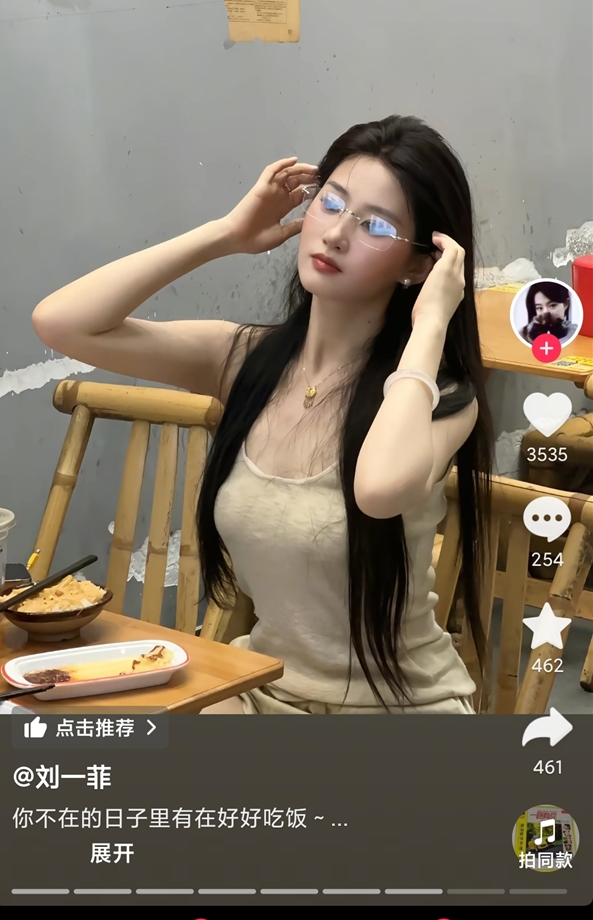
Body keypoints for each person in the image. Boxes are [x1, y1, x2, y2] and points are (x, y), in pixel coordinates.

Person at [32, 115, 493, 715]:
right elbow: (61, 323)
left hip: (399, 710)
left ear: (419, 266)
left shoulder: (439, 398)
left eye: (376, 225)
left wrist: (431, 324)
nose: (336, 234)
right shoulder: (244, 359)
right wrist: (225, 234)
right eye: (331, 203)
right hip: (264, 691)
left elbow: (379, 491)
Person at [519, 281, 578, 346]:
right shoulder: (523, 335)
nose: (545, 312)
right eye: (540, 308)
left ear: (566, 304)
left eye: (552, 305)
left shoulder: (575, 333)